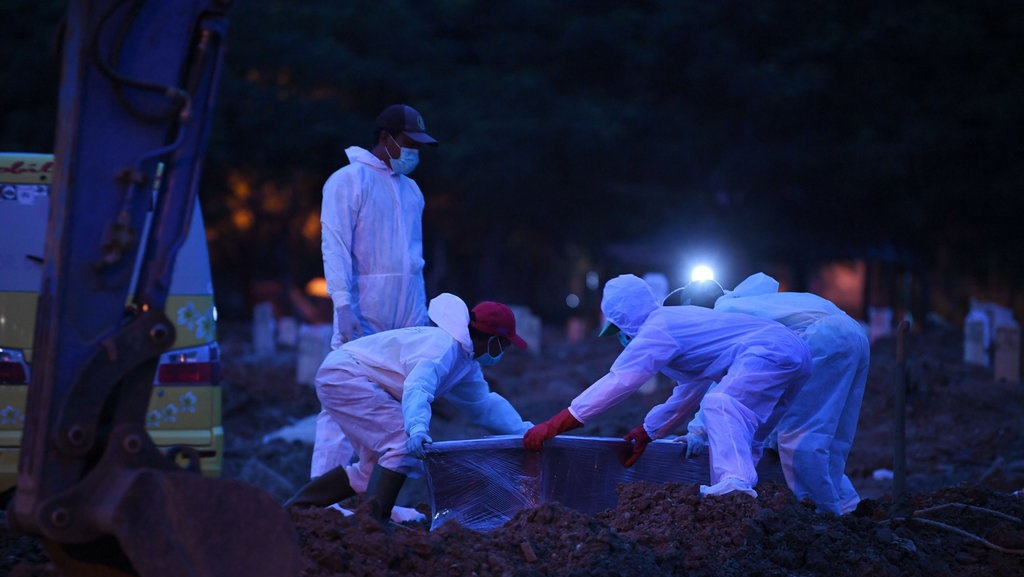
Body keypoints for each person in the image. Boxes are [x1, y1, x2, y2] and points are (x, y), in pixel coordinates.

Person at [523, 274, 812, 498]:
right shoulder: (677, 324)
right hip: (795, 352)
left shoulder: (658, 327)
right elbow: (690, 390)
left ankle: (734, 490)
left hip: (768, 352)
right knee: (752, 435)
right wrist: (649, 431)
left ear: (625, 320)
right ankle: (756, 498)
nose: (621, 338)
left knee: (721, 404)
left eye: (619, 330)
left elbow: (620, 381)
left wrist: (556, 424)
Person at [285, 293, 533, 524]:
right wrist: (416, 428)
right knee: (401, 442)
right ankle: (373, 524)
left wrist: (527, 432)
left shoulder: (464, 362)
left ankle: (297, 509)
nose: (502, 353)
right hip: (346, 376)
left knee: (370, 470)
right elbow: (418, 386)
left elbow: (483, 405)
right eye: (502, 345)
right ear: (490, 338)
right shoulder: (443, 347)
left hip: (348, 377)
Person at [311, 104, 439, 488]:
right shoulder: (346, 181)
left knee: (389, 405)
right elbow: (334, 246)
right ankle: (323, 496)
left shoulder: (411, 190)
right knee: (341, 403)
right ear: (385, 139)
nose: (413, 152)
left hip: (406, 314)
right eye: (407, 142)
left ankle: (372, 494)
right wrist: (342, 304)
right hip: (363, 310)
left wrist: (419, 317)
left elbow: (412, 260)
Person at [680, 273, 870, 514]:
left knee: (799, 436)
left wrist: (697, 430)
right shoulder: (752, 303)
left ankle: (822, 516)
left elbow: (726, 382)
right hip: (853, 333)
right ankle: (847, 505)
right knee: (831, 436)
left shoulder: (725, 315)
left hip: (821, 339)